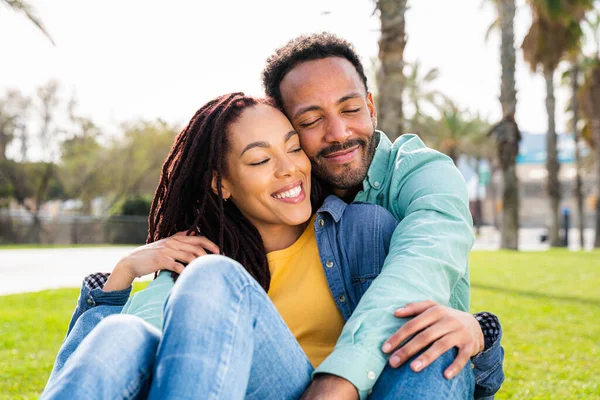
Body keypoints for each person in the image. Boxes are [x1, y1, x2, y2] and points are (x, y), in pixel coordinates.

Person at [42, 93, 499, 399]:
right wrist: (121, 277)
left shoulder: (366, 231)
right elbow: (114, 355)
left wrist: (480, 330)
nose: (289, 170)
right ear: (221, 183)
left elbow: (424, 323)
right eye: (260, 159)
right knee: (123, 333)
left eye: (293, 148)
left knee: (212, 277)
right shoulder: (197, 256)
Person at [258, 32, 504, 399]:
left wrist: (339, 380)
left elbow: (418, 267)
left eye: (350, 109)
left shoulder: (426, 175)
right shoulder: (277, 195)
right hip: (300, 372)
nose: (338, 133)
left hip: (418, 371)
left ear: (371, 107)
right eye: (311, 120)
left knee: (429, 346)